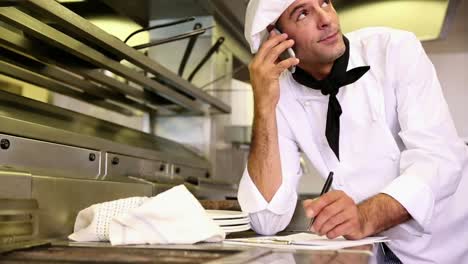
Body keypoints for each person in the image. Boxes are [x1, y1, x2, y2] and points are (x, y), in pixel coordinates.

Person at [237, 0, 468, 263]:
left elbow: (440, 158)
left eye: (324, 2)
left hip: (446, 247)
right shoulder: (281, 94)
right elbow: (266, 220)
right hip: (373, 250)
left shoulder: (394, 48)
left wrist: (365, 216)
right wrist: (263, 105)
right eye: (302, 13)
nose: (325, 19)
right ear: (277, 38)